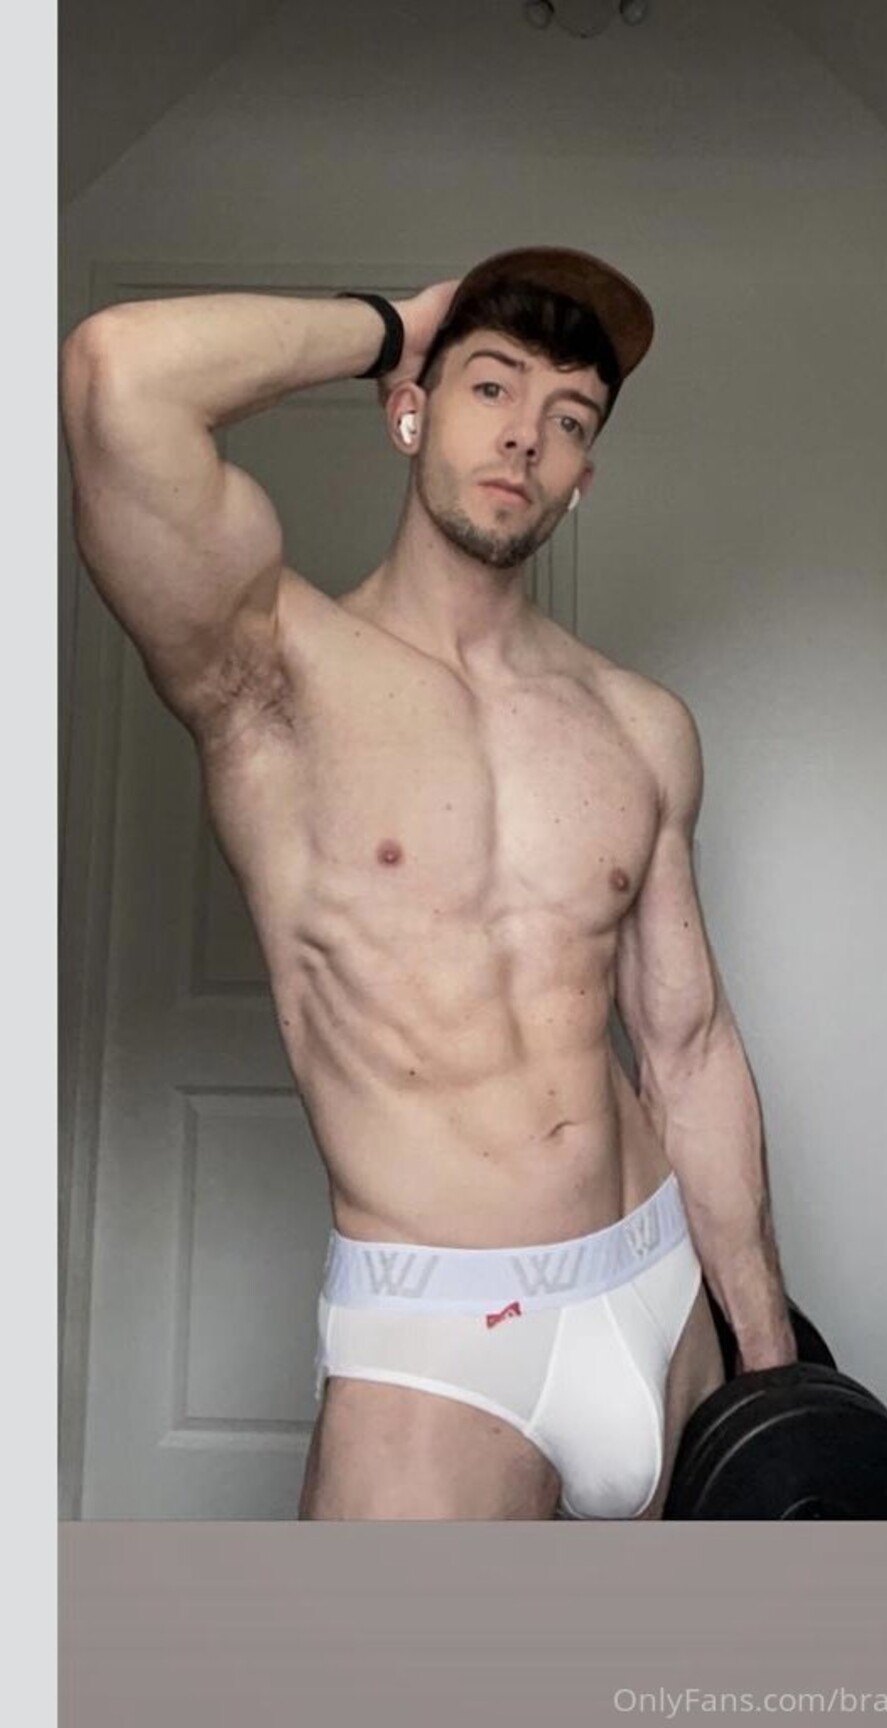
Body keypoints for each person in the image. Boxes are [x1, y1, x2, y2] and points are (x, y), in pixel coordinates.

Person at [60, 246, 796, 1521]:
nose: (525, 437)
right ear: (408, 411)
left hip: (661, 1288)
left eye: (570, 419)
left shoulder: (639, 726)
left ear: (583, 478)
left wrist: (772, 1361)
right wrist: (394, 325)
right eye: (491, 387)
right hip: (443, 1348)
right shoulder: (273, 673)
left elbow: (689, 1052)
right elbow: (115, 377)